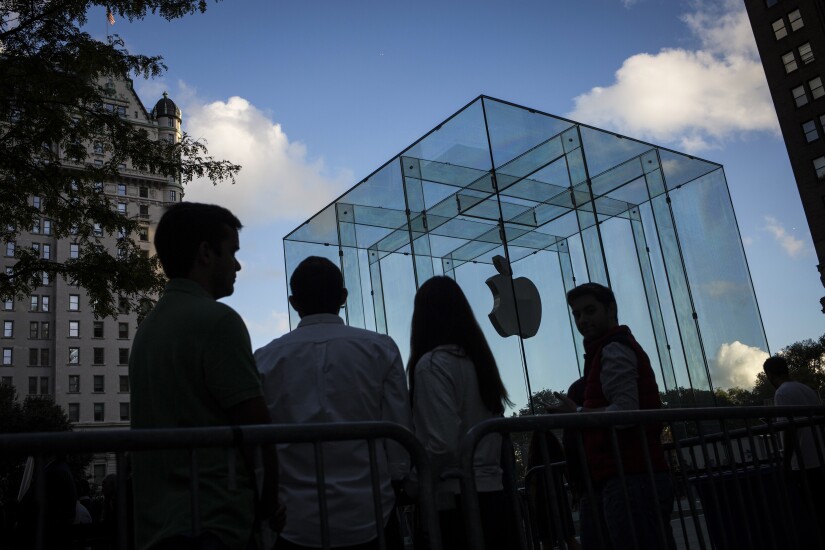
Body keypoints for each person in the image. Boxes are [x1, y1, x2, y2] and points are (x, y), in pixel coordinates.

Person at [129, 202, 281, 550]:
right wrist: (267, 505)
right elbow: (258, 432)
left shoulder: (147, 330)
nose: (238, 265)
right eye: (232, 252)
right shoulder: (218, 321)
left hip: (156, 530)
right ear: (205, 253)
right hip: (215, 524)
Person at [255, 256, 412, 550]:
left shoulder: (265, 359)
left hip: (295, 522)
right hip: (372, 513)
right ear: (343, 297)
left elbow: (260, 443)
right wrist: (399, 478)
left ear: (293, 302)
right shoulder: (381, 348)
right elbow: (398, 432)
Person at [550, 282, 674, 550]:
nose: (583, 320)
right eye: (577, 314)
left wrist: (577, 413)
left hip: (631, 477)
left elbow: (627, 412)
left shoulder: (613, 349)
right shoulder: (608, 349)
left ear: (611, 309)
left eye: (589, 310)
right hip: (627, 475)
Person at [407, 276, 514, 550]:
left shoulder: (432, 365)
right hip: (493, 494)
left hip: (454, 499)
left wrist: (413, 482)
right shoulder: (479, 363)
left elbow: (442, 444)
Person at [763, 355, 825, 542]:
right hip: (820, 457)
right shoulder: (806, 389)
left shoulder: (782, 393)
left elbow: (788, 429)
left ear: (771, 375)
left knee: (814, 512)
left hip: (804, 461)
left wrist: (786, 463)